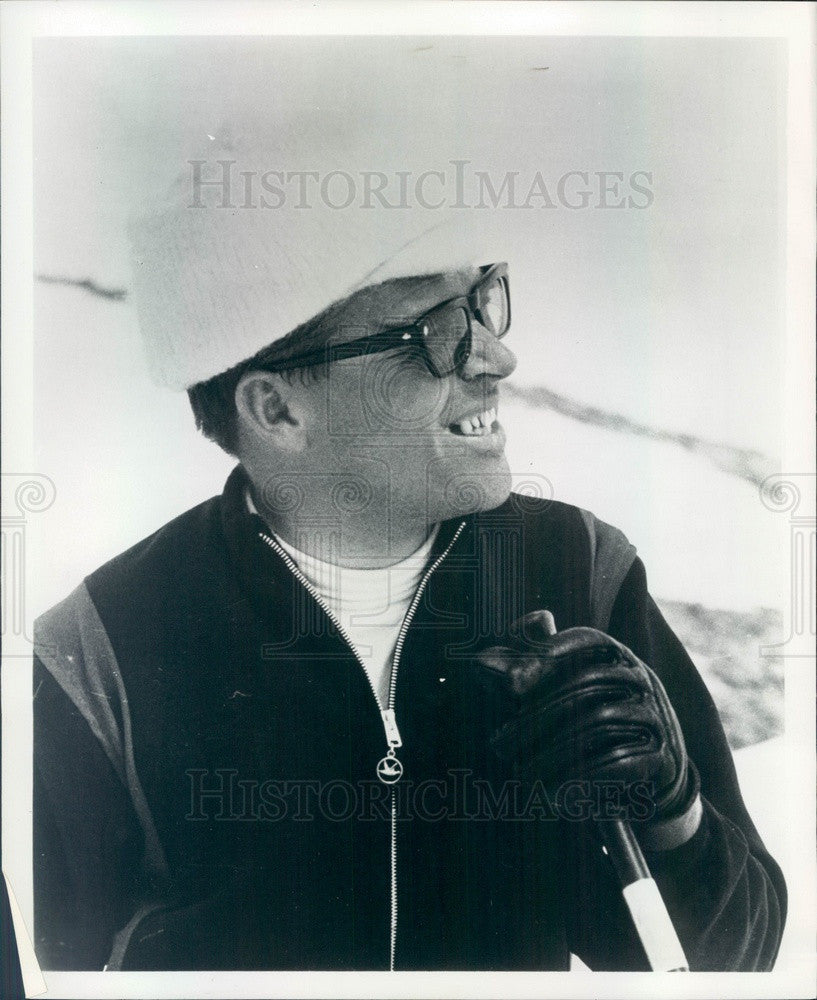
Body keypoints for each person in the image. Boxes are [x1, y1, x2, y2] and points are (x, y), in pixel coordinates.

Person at [33, 138, 786, 973]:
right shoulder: (98, 648)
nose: (495, 358)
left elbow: (730, 967)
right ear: (277, 409)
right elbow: (47, 968)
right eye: (432, 331)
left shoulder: (577, 572)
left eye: (481, 304)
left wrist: (669, 809)